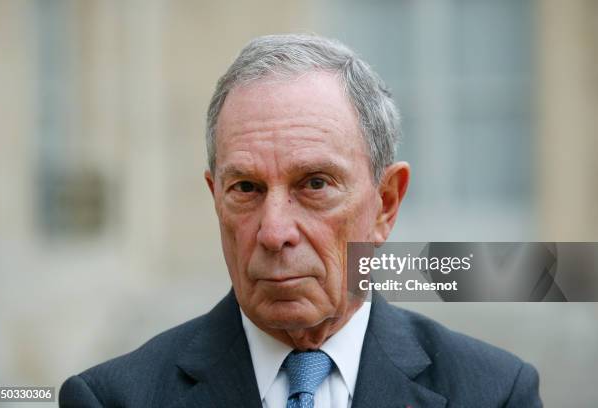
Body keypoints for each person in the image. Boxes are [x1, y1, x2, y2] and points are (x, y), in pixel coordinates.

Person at [59, 33, 542, 407]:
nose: (274, 232)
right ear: (216, 199)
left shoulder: (493, 393)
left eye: (314, 185)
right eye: (246, 188)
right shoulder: (114, 399)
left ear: (386, 203)